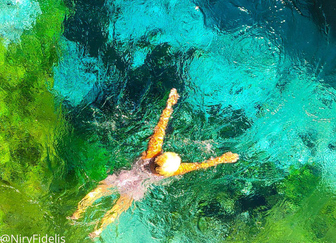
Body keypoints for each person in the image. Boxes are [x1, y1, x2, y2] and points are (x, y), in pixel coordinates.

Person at [69, 88, 239, 238]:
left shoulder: (152, 153)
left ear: (161, 157)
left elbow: (161, 127)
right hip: (137, 188)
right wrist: (222, 159)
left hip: (124, 176)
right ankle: (97, 231)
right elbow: (199, 165)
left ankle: (77, 213)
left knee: (96, 192)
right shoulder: (174, 171)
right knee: (117, 210)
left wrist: (169, 104)